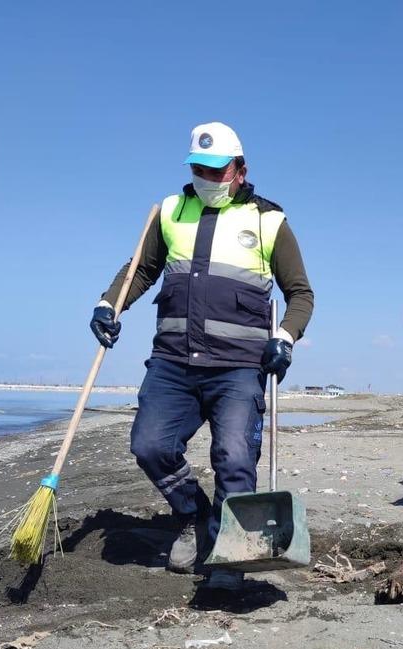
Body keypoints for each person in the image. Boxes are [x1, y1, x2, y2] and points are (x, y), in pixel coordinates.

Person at [90, 121, 314, 595]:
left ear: (240, 169)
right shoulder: (170, 211)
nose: (207, 178)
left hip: (238, 368)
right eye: (199, 169)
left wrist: (285, 337)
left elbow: (300, 294)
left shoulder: (268, 220)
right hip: (173, 363)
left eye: (217, 170)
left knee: (234, 457)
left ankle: (232, 554)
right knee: (150, 446)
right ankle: (195, 517)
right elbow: (139, 270)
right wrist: (110, 304)